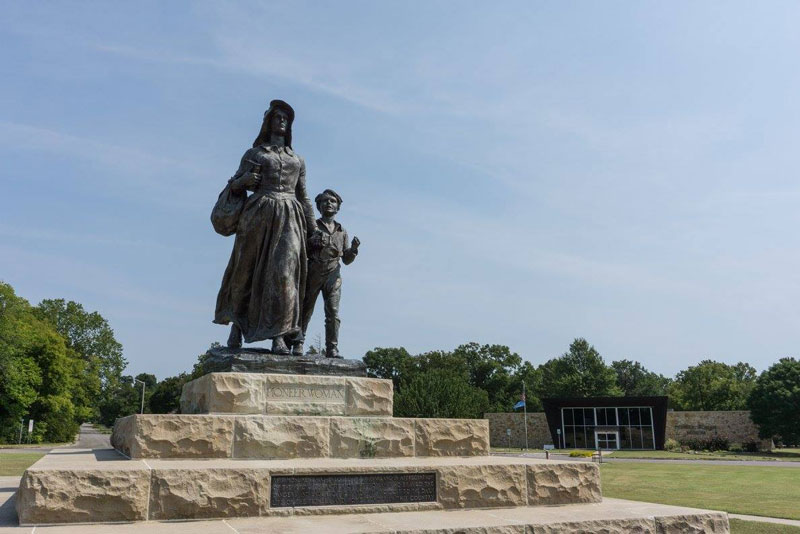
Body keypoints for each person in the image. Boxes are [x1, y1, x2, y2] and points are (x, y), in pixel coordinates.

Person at [213, 100, 316, 354]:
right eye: (277, 117)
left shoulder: (298, 160)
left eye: (286, 118)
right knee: (244, 272)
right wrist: (243, 181)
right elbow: (235, 185)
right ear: (268, 121)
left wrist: (314, 229)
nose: (282, 120)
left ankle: (278, 335)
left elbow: (303, 196)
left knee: (284, 276)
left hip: (290, 216)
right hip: (258, 214)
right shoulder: (254, 154)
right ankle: (236, 327)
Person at [292, 189, 360, 358]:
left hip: (333, 274)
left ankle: (332, 348)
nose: (328, 203)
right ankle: (298, 343)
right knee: (305, 309)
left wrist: (353, 250)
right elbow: (300, 250)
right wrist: (311, 242)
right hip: (313, 271)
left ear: (338, 207)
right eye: (324, 201)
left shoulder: (342, 231)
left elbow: (346, 260)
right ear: (318, 206)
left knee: (333, 312)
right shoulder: (312, 226)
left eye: (332, 201)